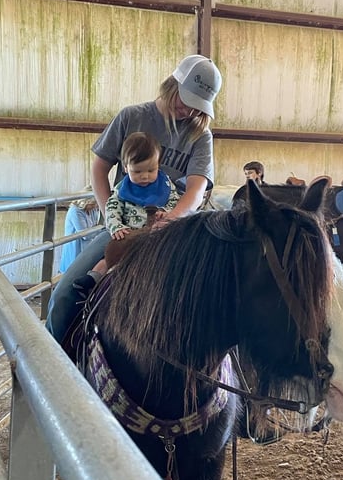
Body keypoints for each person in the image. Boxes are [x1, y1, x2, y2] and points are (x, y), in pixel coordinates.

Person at [45, 54, 222, 342]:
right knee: (64, 297)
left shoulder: (200, 136)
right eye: (185, 99)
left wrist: (172, 220)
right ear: (172, 83)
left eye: (196, 105)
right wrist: (111, 219)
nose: (188, 110)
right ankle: (54, 374)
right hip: (125, 226)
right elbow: (100, 167)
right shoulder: (132, 117)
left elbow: (197, 187)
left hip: (171, 232)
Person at [72, 132, 179, 294]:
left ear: (159, 164)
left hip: (158, 235)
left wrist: (167, 213)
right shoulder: (122, 189)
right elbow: (112, 208)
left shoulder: (165, 185)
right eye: (137, 172)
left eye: (151, 170)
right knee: (112, 254)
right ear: (125, 167)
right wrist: (116, 227)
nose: (145, 176)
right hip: (129, 234)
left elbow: (175, 201)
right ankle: (93, 277)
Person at [59, 193, 101, 274]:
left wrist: (95, 229)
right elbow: (85, 235)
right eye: (93, 204)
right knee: (72, 272)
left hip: (87, 246)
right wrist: (96, 229)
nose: (95, 206)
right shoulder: (75, 211)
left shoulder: (92, 210)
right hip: (75, 247)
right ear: (86, 202)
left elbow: (95, 227)